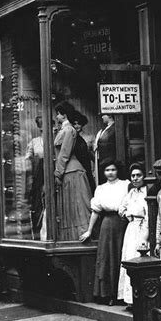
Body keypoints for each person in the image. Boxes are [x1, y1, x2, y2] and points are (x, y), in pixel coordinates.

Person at [80, 161, 129, 305]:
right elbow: (96, 211)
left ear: (117, 171)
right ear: (103, 172)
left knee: (121, 255)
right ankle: (108, 295)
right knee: (108, 257)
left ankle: (121, 295)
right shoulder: (101, 189)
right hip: (107, 224)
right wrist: (89, 230)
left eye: (113, 169)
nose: (111, 172)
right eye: (107, 170)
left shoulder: (125, 185)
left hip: (123, 222)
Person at [54, 101, 92, 241]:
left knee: (78, 205)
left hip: (72, 172)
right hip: (68, 172)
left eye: (58, 114)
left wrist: (58, 172)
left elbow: (65, 152)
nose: (57, 117)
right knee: (73, 206)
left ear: (63, 115)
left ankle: (81, 235)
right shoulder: (64, 130)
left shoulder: (69, 130)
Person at [117, 163, 149, 308]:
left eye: (138, 175)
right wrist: (126, 214)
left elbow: (148, 213)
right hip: (131, 228)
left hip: (143, 228)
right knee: (129, 259)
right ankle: (131, 300)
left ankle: (142, 298)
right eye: (133, 176)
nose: (135, 178)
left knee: (140, 258)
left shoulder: (147, 192)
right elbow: (121, 207)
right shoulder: (131, 193)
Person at [26, 116, 45, 235]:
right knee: (38, 201)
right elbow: (27, 158)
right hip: (39, 174)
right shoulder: (34, 141)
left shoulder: (55, 138)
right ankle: (39, 229)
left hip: (53, 173)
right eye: (40, 124)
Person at [72, 111, 96, 194]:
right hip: (75, 167)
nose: (77, 126)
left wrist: (94, 170)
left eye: (79, 123)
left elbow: (94, 156)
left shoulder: (90, 137)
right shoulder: (71, 137)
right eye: (74, 124)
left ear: (82, 124)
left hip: (87, 166)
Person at [94, 114, 116, 185]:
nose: (102, 117)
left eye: (104, 115)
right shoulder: (105, 129)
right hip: (102, 162)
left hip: (109, 162)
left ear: (110, 116)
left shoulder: (114, 129)